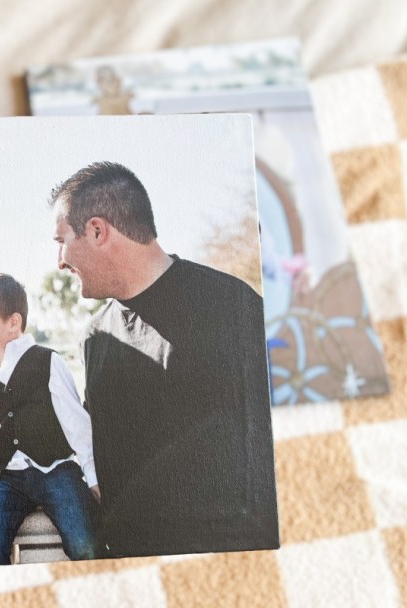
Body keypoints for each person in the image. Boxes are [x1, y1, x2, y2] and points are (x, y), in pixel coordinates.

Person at [47, 161, 278, 557]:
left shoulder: (233, 309)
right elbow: (99, 440)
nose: (60, 261)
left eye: (61, 240)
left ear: (98, 231)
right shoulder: (96, 337)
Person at [0, 273, 99, 566]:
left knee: (84, 540)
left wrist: (92, 475)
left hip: (56, 470)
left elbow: (76, 423)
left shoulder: (47, 361)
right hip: (8, 477)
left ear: (13, 323)